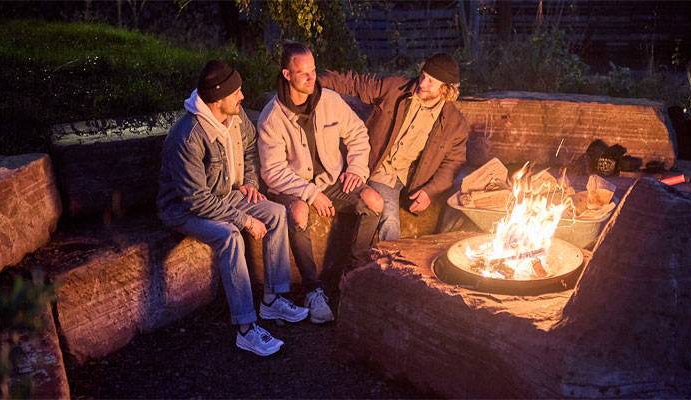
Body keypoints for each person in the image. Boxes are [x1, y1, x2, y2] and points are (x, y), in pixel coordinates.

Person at [157, 60, 308, 357]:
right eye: (236, 92)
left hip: (225, 195)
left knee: (275, 213)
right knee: (230, 235)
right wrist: (245, 220)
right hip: (184, 209)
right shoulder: (188, 136)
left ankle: (273, 298)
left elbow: (251, 149)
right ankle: (246, 328)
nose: (242, 96)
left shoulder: (235, 118)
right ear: (217, 98)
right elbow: (196, 200)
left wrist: (250, 181)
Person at [257, 43, 383, 324]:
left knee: (374, 201)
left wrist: (357, 168)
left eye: (313, 71)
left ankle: (352, 274)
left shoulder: (330, 101)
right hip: (293, 187)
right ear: (287, 75)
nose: (311, 78)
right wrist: (310, 194)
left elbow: (358, 134)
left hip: (331, 181)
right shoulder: (272, 117)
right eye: (303, 73)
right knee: (299, 213)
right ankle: (313, 290)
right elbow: (272, 171)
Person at [318, 53, 469, 242]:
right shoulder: (396, 88)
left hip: (408, 179)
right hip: (379, 168)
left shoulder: (455, 124)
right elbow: (356, 84)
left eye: (431, 82)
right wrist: (316, 82)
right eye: (423, 75)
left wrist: (430, 191)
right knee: (389, 218)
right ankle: (392, 267)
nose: (422, 83)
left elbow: (453, 164)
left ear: (445, 89)